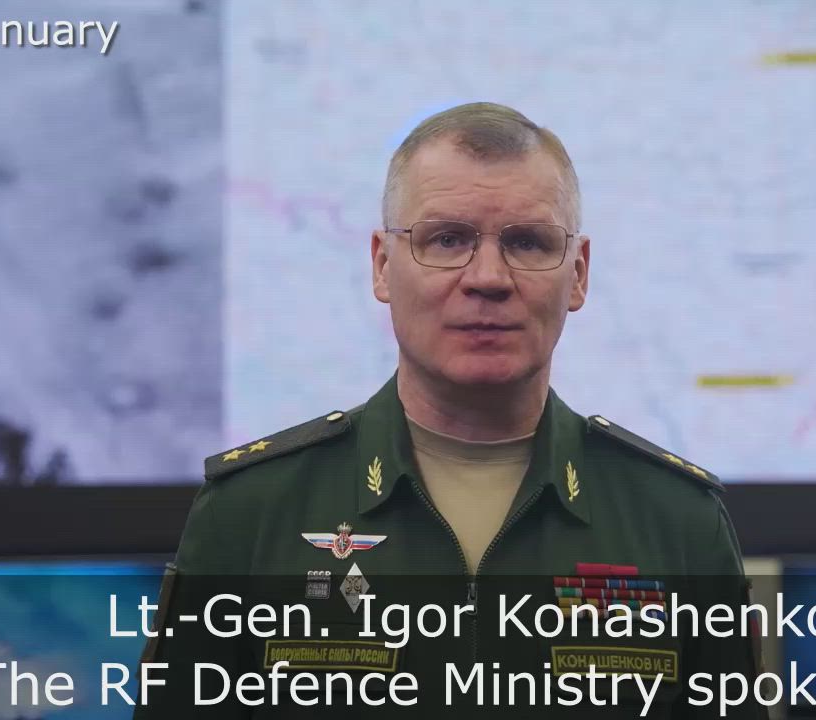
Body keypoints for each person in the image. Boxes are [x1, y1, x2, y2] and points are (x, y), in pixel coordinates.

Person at [136, 102, 765, 718]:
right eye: (446, 239)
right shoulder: (252, 513)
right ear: (383, 266)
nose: (488, 277)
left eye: (528, 242)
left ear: (577, 274)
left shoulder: (678, 523)